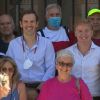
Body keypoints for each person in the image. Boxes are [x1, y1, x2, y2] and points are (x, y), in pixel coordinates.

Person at [6, 10, 55, 100]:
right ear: (21, 24)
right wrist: (20, 89)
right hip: (19, 89)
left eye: (32, 21)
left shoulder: (47, 43)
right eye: (26, 22)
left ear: (37, 23)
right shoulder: (13, 44)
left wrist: (38, 90)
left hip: (42, 89)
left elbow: (51, 69)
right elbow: (8, 69)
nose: (29, 25)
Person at [66, 19, 100, 100]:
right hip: (72, 96)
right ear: (75, 33)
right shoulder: (67, 52)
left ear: (91, 32)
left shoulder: (99, 52)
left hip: (95, 97)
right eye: (80, 31)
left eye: (86, 31)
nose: (83, 34)